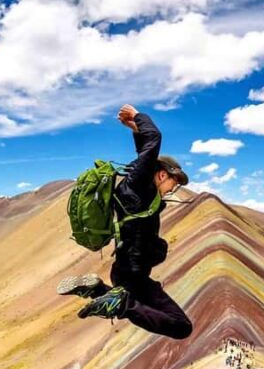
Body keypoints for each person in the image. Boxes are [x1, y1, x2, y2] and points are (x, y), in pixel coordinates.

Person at [56, 103, 193, 340]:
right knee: (181, 327)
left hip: (126, 272)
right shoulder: (140, 187)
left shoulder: (136, 188)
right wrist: (139, 117)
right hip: (134, 274)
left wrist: (134, 130)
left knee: (147, 309)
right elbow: (154, 140)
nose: (174, 188)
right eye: (174, 181)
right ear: (162, 174)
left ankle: (97, 290)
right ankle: (117, 303)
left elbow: (145, 154)